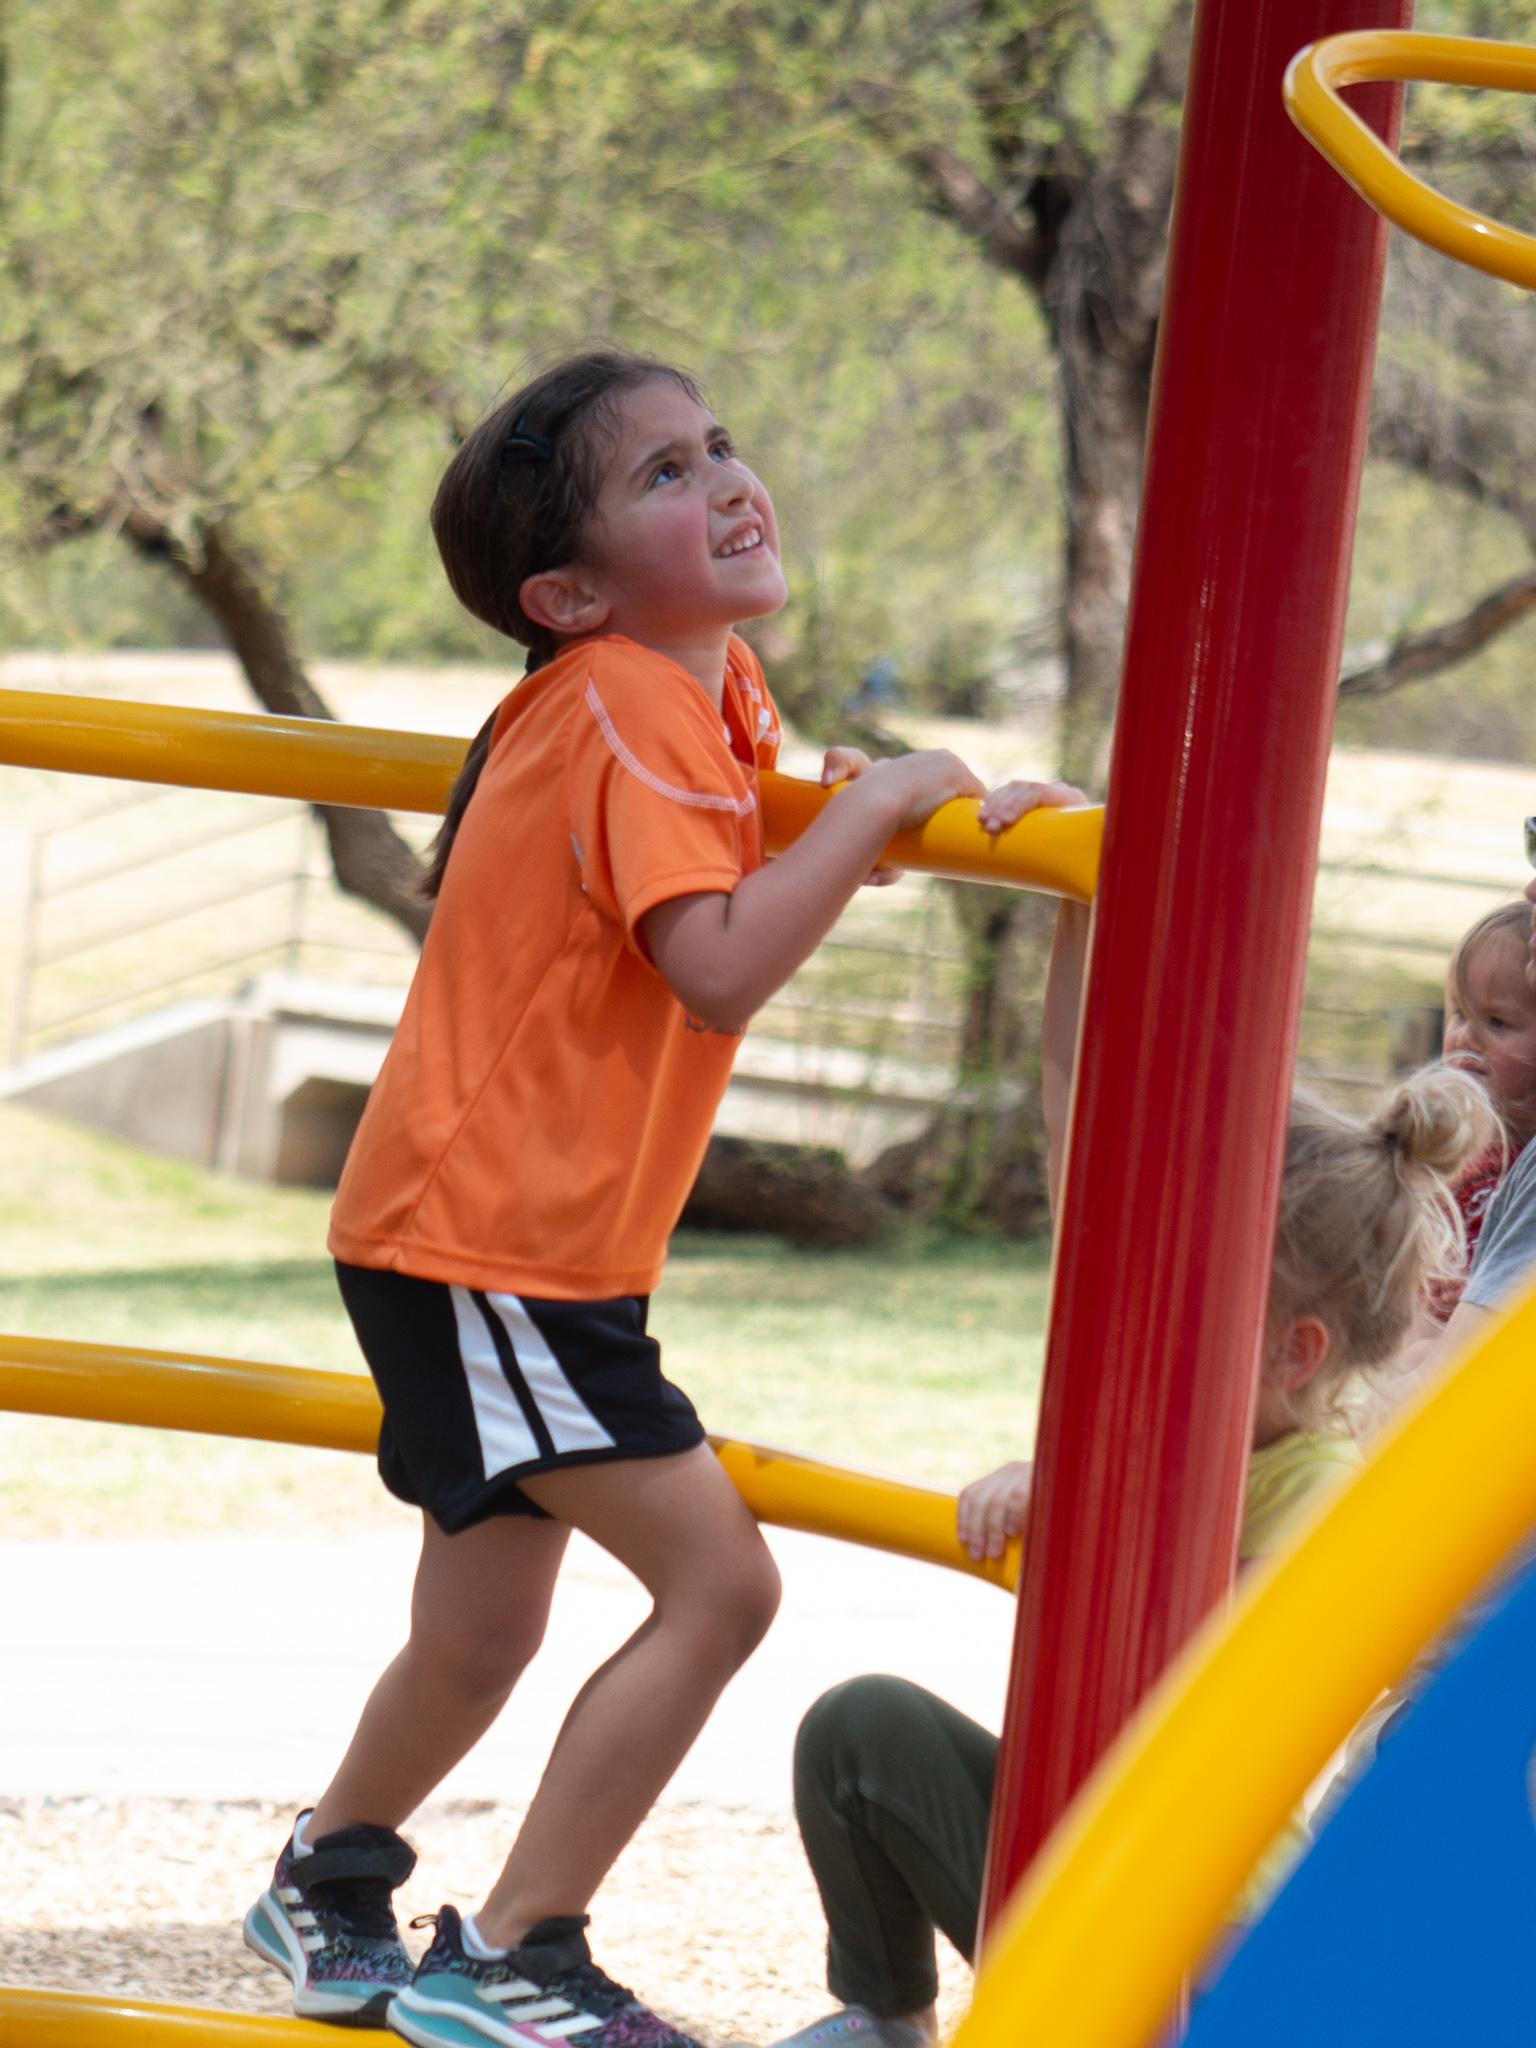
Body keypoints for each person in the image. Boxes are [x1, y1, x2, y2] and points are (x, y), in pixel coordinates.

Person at [241, 350, 986, 2045]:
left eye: (718, 444)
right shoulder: (622, 700)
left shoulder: (699, 693)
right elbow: (715, 965)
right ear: (566, 596)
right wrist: (882, 801)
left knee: (482, 1625)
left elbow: (730, 881)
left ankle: (330, 1871)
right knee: (724, 1586)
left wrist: (865, 814)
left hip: (489, 1236)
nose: (724, 480)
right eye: (662, 475)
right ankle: (518, 1948)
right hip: (496, 1243)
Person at [771, 782, 1495, 2048]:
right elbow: (1082, 1127)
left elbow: (1192, 1650)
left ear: (1294, 1350)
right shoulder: (1173, 1414)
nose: (1144, 1302)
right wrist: (1081, 901)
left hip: (1195, 1923)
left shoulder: (1319, 1492)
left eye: (1188, 1293)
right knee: (861, 1729)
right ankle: (885, 2021)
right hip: (1079, 1833)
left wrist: (1068, 1495)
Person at [1422, 899, 1536, 1323]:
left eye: (1498, 1022)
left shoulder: (1516, 1175)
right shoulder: (1445, 1147)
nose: (1466, 1038)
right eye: (1459, 1015)